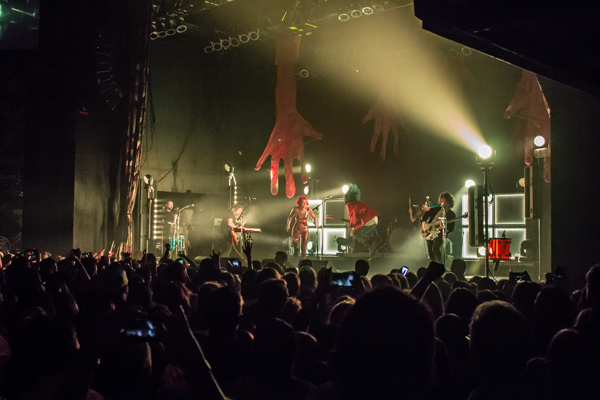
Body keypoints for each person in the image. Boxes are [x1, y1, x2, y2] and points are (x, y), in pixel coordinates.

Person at [328, 184, 381, 257]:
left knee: (355, 233)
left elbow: (353, 222)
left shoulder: (350, 205)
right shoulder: (357, 203)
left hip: (369, 220)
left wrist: (352, 224)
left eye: (344, 197)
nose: (343, 199)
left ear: (347, 198)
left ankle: (370, 245)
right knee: (363, 234)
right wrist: (336, 218)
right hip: (374, 219)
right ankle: (371, 249)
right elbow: (355, 221)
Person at [420, 192, 456, 264]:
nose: (443, 203)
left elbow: (451, 228)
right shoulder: (436, 209)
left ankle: (440, 265)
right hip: (429, 232)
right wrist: (424, 224)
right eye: (441, 201)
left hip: (439, 233)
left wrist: (445, 228)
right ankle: (434, 266)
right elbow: (426, 215)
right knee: (430, 251)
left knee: (435, 249)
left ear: (449, 202)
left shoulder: (451, 214)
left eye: (445, 201)